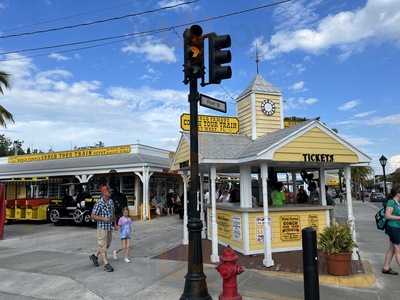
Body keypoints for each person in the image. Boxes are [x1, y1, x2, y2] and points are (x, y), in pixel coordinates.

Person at [89, 185, 115, 272]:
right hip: (101, 227)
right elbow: (92, 216)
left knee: (107, 244)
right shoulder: (99, 203)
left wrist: (115, 223)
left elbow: (112, 212)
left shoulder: (111, 201)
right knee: (102, 245)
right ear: (104, 192)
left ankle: (95, 256)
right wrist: (103, 218)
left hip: (109, 227)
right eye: (109, 191)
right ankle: (106, 264)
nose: (110, 192)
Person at [383, 187, 400, 275]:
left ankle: (386, 268)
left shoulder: (398, 203)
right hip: (393, 227)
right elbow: (387, 216)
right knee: (398, 249)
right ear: (398, 193)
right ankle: (386, 267)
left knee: (392, 249)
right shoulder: (391, 202)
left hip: (397, 227)